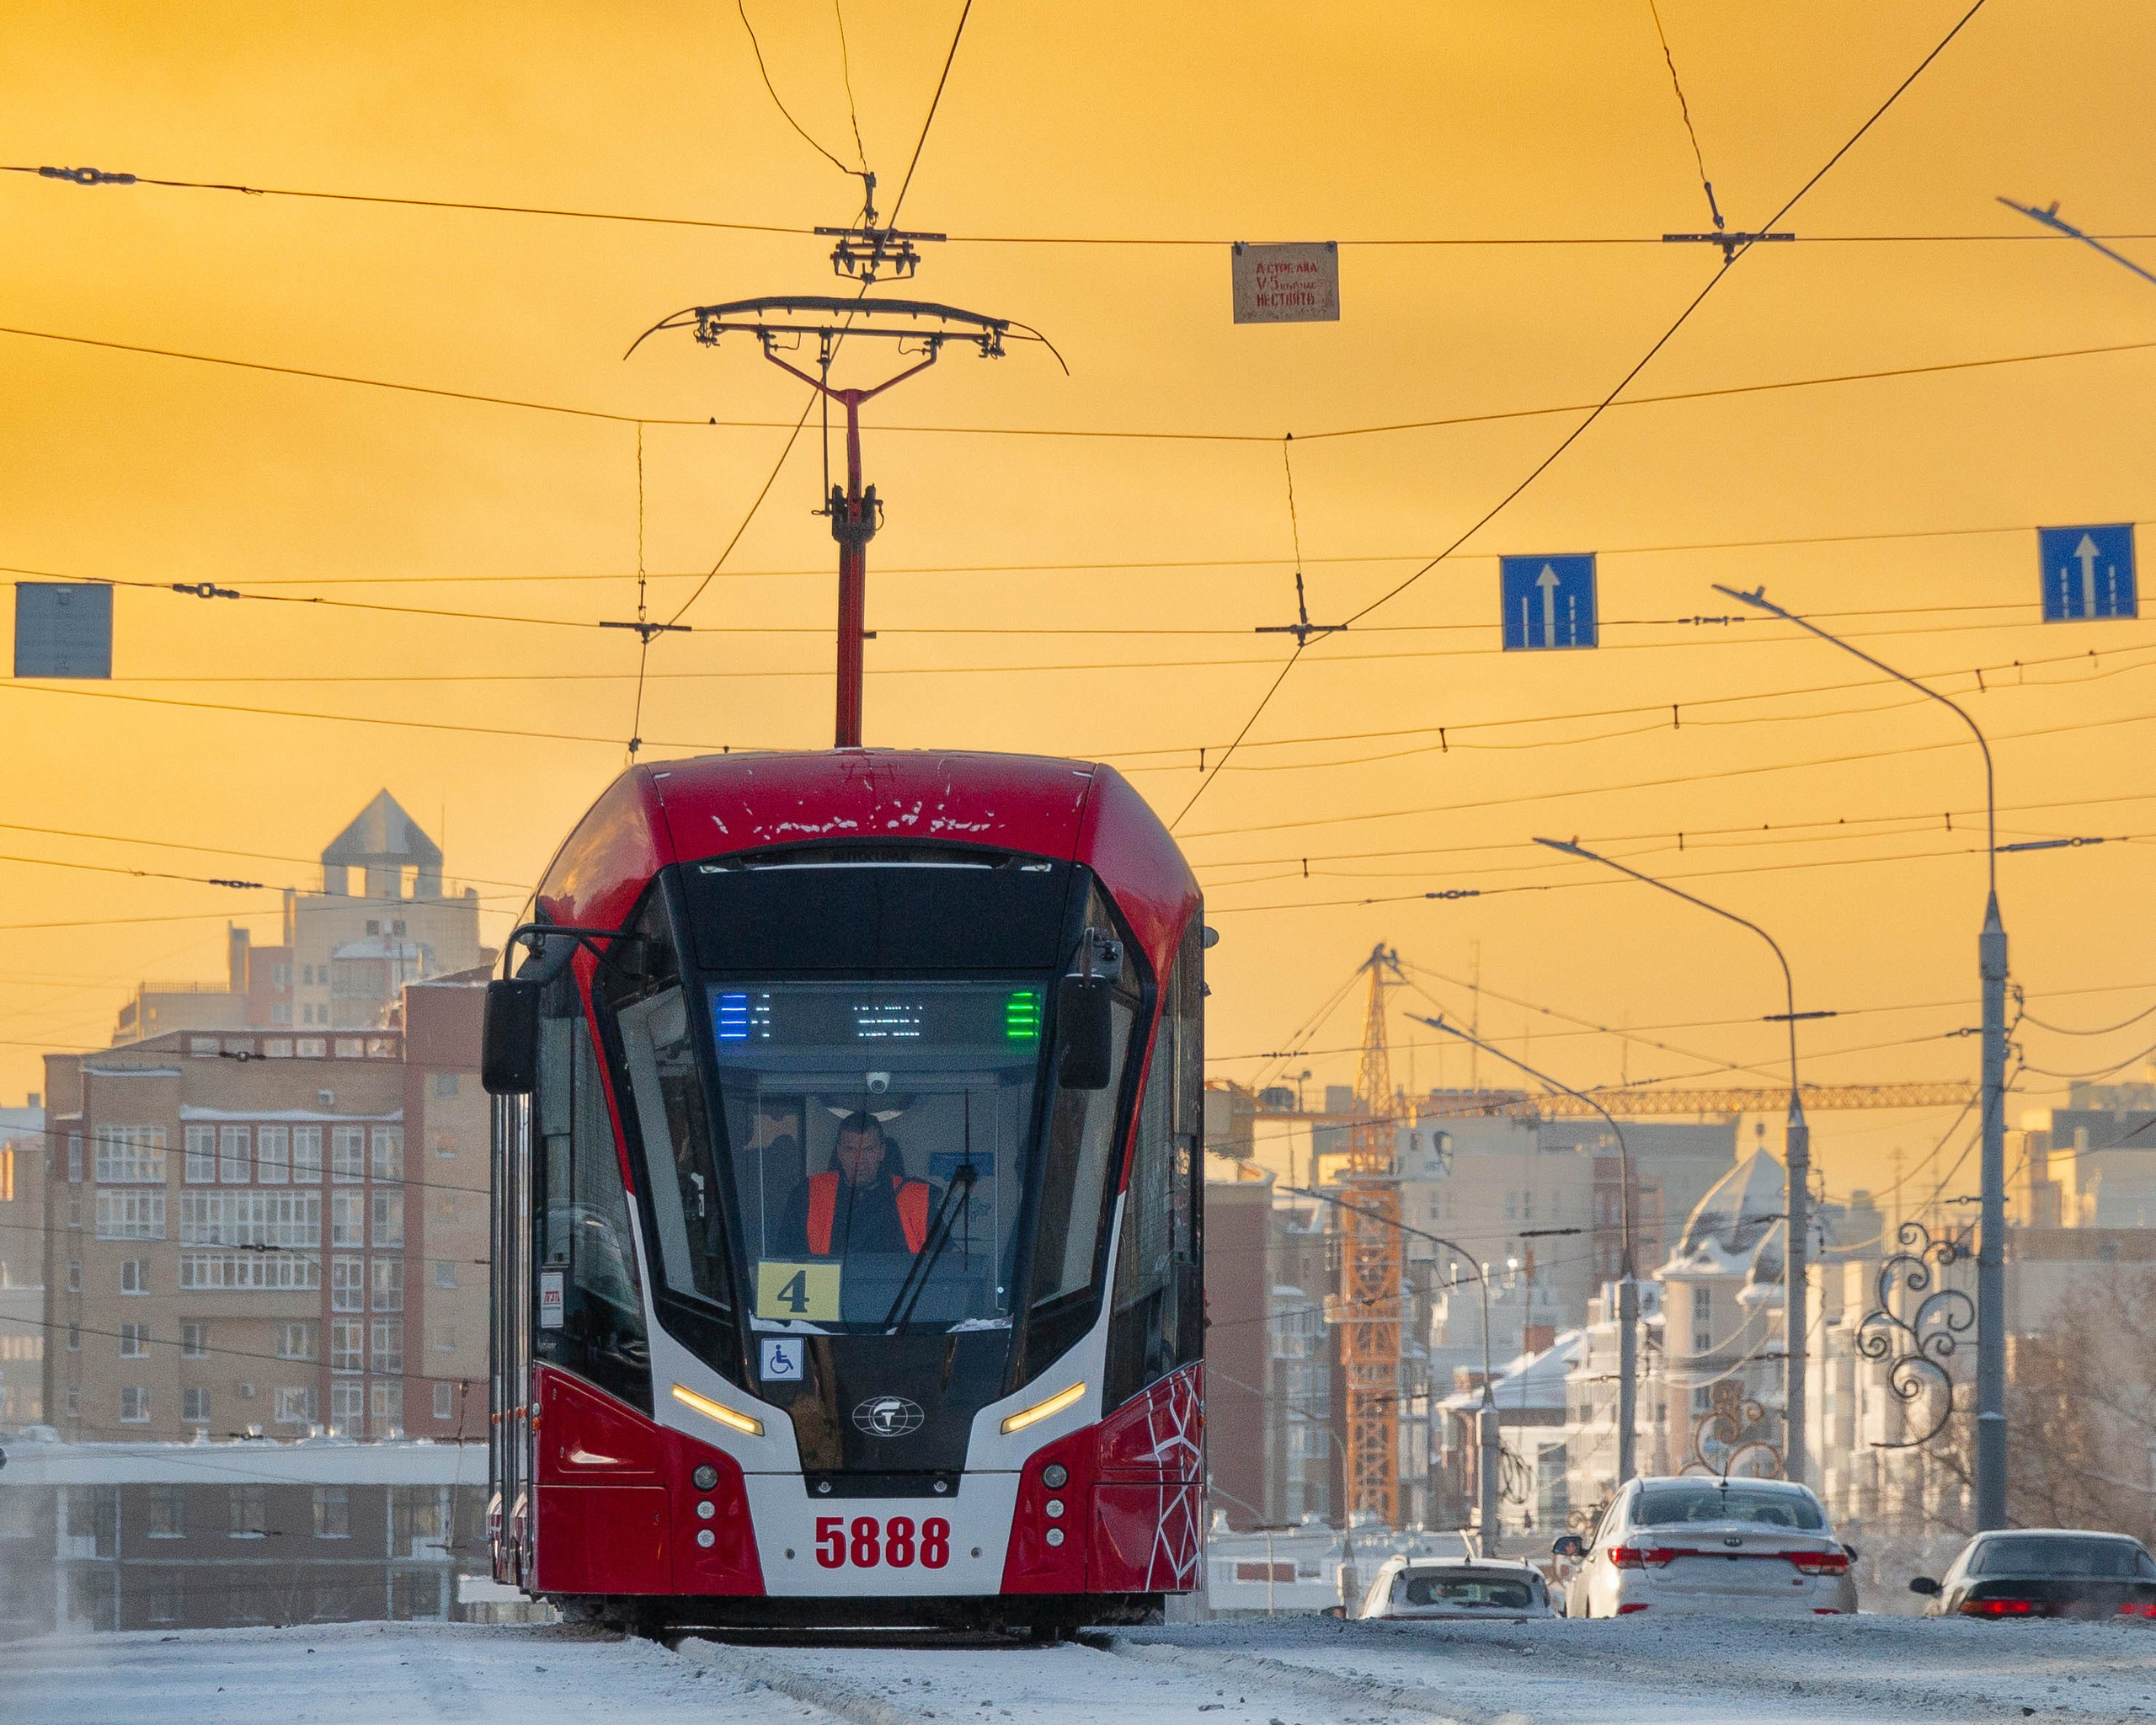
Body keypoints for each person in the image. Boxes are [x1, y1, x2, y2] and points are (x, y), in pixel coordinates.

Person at [780, 1111, 934, 1258]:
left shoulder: (916, 1198)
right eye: (851, 1150)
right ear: (839, 1153)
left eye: (869, 1149)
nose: (860, 1159)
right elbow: (784, 1262)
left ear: (882, 1152)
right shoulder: (808, 1194)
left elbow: (948, 1264)